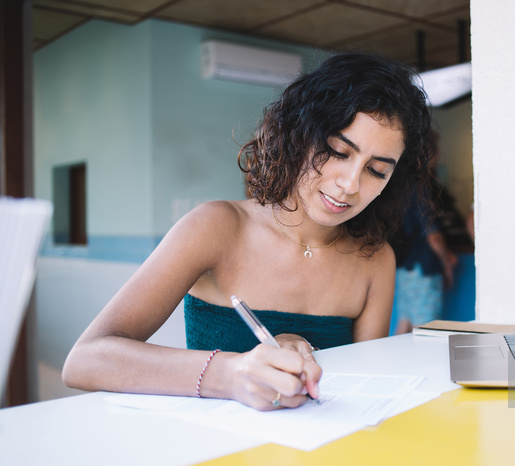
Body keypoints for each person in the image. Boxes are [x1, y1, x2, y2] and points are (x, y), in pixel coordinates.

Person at [62, 53, 434, 411]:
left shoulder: (374, 260)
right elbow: (86, 360)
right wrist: (231, 372)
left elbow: (361, 391)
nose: (350, 184)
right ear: (299, 135)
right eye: (337, 151)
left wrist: (308, 359)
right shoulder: (215, 227)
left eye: (377, 170)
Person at [391, 131, 458, 334]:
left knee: (404, 322)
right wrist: (447, 263)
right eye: (434, 149)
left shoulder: (401, 185)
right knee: (426, 329)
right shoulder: (423, 185)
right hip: (424, 267)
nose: (437, 154)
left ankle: (391, 364)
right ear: (425, 152)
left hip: (405, 266)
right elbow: (433, 234)